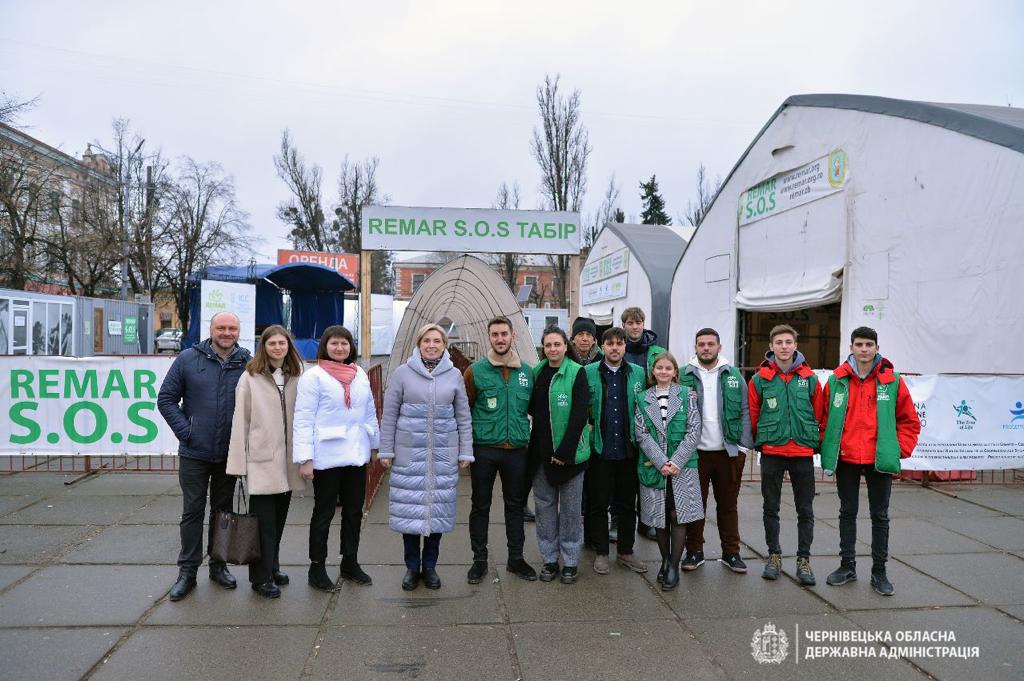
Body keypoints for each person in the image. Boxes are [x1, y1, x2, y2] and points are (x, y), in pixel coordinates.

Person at [158, 311, 251, 602]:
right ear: (210, 330)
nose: (226, 332)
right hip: (194, 452)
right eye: (221, 328)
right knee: (193, 511)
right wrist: (187, 432)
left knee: (223, 512)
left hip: (228, 453)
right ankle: (187, 571)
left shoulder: (248, 363)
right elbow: (166, 399)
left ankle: (218, 565)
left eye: (232, 328)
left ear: (238, 331)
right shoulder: (187, 359)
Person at [820, 327, 921, 596]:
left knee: (880, 516)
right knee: (847, 513)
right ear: (851, 347)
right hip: (847, 458)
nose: (864, 349)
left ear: (877, 347)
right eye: (859, 344)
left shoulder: (893, 381)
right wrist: (827, 446)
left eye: (869, 344)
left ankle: (879, 572)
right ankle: (847, 566)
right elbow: (823, 419)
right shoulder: (836, 381)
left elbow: (909, 421)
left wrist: (897, 450)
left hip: (879, 460)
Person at [379, 323, 473, 591]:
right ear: (418, 344)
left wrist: (465, 450)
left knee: (437, 513)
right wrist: (386, 450)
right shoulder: (402, 374)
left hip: (442, 455)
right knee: (410, 513)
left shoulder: (455, 375)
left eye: (438, 341)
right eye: (427, 341)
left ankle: (430, 566)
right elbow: (389, 415)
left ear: (445, 346)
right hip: (410, 454)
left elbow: (463, 417)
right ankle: (411, 567)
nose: (432, 345)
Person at [293, 325, 380, 592]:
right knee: (324, 512)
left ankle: (349, 561)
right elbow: (303, 418)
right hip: (327, 456)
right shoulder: (314, 377)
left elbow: (369, 411)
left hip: (355, 454)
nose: (340, 348)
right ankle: (316, 567)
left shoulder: (359, 374)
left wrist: (374, 445)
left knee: (354, 511)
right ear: (325, 347)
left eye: (344, 343)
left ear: (350, 346)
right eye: (334, 343)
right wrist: (305, 459)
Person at [226, 325, 305, 598]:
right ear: (264, 347)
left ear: (288, 346)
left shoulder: (297, 374)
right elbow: (241, 422)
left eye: (282, 343)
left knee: (279, 520)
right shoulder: (250, 377)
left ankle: (272, 565)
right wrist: (237, 465)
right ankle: (260, 578)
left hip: (287, 462)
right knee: (263, 524)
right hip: (261, 460)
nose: (277, 348)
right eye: (272, 343)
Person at [463, 317, 537, 584]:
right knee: (480, 505)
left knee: (515, 505)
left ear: (512, 336)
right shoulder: (475, 371)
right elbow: (465, 409)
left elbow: (534, 409)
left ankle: (515, 559)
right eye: (495, 335)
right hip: (484, 448)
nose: (500, 339)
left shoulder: (527, 372)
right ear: (489, 338)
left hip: (517, 448)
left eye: (504, 334)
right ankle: (479, 560)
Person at [748, 324, 823, 586]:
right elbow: (753, 415)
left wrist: (817, 443)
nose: (783, 346)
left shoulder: (810, 379)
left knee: (806, 509)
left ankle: (804, 560)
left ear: (795, 345)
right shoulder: (759, 379)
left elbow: (819, 413)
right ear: (771, 347)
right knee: (771, 507)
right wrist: (761, 442)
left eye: (788, 342)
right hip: (772, 451)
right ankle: (774, 556)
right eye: (778, 342)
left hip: (802, 451)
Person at [678, 328, 753, 573]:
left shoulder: (732, 375)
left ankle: (731, 553)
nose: (706, 348)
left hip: (727, 453)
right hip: (694, 454)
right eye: (702, 344)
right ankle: (694, 551)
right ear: (695, 347)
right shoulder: (684, 375)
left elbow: (744, 410)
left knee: (728, 505)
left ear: (719, 347)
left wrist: (742, 447)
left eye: (711, 344)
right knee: (694, 505)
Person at [583, 327, 649, 575]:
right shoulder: (588, 372)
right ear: (602, 346)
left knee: (627, 505)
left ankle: (626, 551)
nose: (614, 347)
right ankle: (601, 552)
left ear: (624, 347)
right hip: (600, 450)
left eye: (619, 343)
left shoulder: (638, 374)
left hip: (628, 451)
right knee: (598, 504)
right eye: (609, 343)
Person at [634, 352, 703, 591]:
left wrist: (676, 462)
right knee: (660, 517)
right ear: (653, 372)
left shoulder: (686, 396)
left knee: (678, 515)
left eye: (668, 368)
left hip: (682, 468)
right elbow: (641, 433)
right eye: (659, 368)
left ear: (675, 372)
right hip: (656, 467)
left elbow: (694, 429)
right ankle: (664, 560)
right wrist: (662, 461)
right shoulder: (643, 398)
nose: (663, 371)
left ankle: (674, 565)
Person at [528, 326, 591, 585]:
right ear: (543, 348)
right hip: (541, 455)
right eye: (548, 345)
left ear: (567, 346)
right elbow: (532, 409)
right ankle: (550, 559)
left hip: (570, 456)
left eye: (557, 344)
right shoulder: (537, 372)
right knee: (544, 509)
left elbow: (579, 416)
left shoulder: (577, 373)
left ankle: (571, 560)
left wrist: (564, 452)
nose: (553, 349)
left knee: (570, 511)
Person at [620, 307, 665, 541]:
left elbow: (671, 373)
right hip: (624, 418)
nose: (635, 327)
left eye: (638, 323)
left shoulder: (657, 352)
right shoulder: (618, 348)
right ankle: (619, 518)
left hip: (651, 419)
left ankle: (646, 521)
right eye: (630, 323)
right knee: (625, 475)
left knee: (648, 472)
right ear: (624, 326)